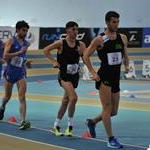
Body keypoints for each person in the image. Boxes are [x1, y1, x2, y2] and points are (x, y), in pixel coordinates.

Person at [83, 11, 129, 148]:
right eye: (114, 22)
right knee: (107, 108)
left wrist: (127, 65)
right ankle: (111, 139)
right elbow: (85, 56)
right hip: (104, 77)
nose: (116, 24)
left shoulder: (123, 38)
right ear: (108, 22)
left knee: (114, 112)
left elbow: (126, 55)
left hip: (116, 77)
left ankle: (92, 122)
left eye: (118, 21)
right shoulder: (100, 40)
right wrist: (93, 72)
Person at [44, 21, 86, 136]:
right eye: (73, 29)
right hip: (64, 76)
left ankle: (55, 125)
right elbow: (46, 50)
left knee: (65, 101)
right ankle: (70, 126)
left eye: (77, 29)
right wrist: (54, 61)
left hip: (74, 76)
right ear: (67, 30)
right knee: (74, 98)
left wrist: (83, 56)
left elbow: (85, 56)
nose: (75, 32)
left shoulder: (80, 45)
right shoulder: (61, 43)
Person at [0, 20, 31, 130]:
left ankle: (23, 121)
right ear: (18, 30)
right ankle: (2, 107)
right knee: (7, 97)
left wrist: (27, 62)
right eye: (23, 30)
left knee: (22, 97)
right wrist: (18, 52)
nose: (25, 32)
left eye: (27, 31)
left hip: (20, 73)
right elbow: (5, 55)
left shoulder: (27, 43)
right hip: (10, 72)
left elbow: (23, 57)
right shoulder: (11, 41)